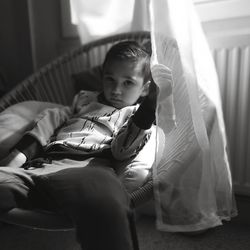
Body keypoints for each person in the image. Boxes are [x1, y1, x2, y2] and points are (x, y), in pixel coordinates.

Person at [0, 41, 157, 250]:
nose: (116, 90)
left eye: (128, 83)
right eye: (109, 79)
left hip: (84, 171)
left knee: (106, 198)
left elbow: (122, 151)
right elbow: (48, 124)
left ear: (145, 88)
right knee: (51, 116)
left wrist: (149, 107)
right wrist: (15, 160)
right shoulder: (82, 103)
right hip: (35, 170)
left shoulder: (135, 116)